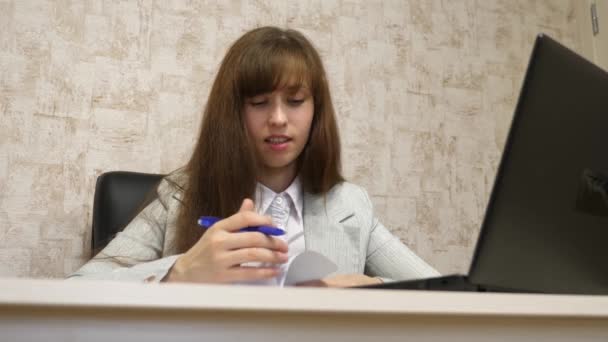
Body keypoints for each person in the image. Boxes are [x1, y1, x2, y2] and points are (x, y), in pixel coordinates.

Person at [69, 26, 439, 287]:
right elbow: (78, 288)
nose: (278, 119)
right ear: (233, 112)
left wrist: (371, 288)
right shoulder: (179, 195)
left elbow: (445, 292)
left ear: (316, 111)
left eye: (295, 101)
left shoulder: (350, 204)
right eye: (259, 102)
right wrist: (179, 273)